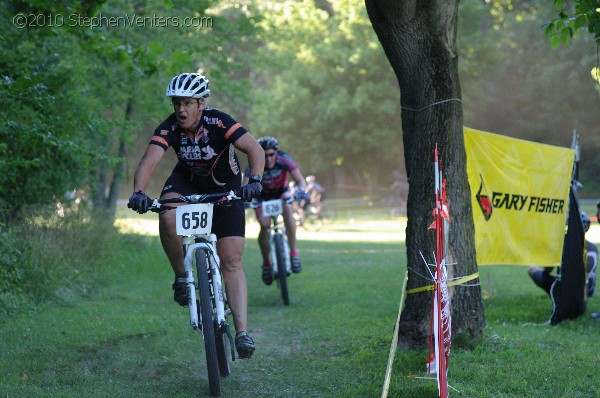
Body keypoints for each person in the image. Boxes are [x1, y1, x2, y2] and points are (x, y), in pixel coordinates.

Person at [127, 72, 265, 359]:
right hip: (187, 181)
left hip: (226, 187)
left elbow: (254, 149)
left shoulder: (219, 121)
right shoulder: (169, 128)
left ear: (201, 103)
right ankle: (181, 277)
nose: (181, 109)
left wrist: (255, 180)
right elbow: (150, 159)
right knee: (166, 215)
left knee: (231, 260)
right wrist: (139, 191)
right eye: (177, 103)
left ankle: (242, 333)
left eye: (188, 103)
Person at [244, 136, 307, 285]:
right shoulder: (254, 163)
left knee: (287, 208)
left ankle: (294, 254)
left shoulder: (285, 160)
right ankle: (266, 263)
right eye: (265, 155)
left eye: (271, 154)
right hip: (262, 198)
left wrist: (300, 191)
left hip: (281, 194)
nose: (269, 158)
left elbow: (301, 181)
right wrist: (245, 201)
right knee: (265, 226)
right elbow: (244, 186)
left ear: (276, 153)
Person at [527, 211, 598, 297]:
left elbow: (548, 268)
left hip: (565, 292)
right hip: (587, 291)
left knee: (532, 269)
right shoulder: (594, 248)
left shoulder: (563, 246)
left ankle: (555, 294)